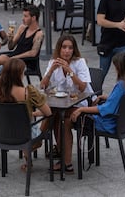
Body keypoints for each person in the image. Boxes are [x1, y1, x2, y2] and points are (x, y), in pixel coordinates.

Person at [40, 35, 94, 174]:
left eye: (70, 48)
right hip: (63, 103)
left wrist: (70, 71)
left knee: (60, 118)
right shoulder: (54, 62)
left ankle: (64, 160)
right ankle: (61, 153)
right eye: (64, 47)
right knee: (55, 115)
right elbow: (42, 86)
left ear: (74, 49)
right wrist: (51, 70)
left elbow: (82, 88)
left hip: (83, 103)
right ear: (59, 48)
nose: (67, 51)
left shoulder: (79, 62)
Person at [0, 58, 52, 171]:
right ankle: (30, 148)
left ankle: (26, 154)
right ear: (19, 75)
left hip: (0, 134)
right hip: (24, 135)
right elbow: (48, 113)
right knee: (51, 116)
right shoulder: (28, 92)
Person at [71, 52, 125, 134]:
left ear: (120, 68)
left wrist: (82, 109)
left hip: (108, 124)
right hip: (120, 123)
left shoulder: (121, 86)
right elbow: (121, 101)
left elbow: (107, 108)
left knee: (71, 119)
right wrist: (108, 98)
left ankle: (66, 146)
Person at [0, 5, 44, 85]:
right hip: (10, 60)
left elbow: (33, 53)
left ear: (33, 18)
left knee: (4, 58)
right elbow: (11, 47)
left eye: (25, 16)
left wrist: (13, 58)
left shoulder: (39, 34)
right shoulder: (22, 28)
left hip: (26, 63)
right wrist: (10, 38)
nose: (23, 18)